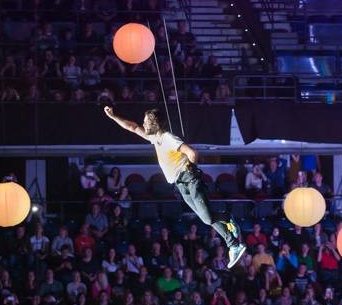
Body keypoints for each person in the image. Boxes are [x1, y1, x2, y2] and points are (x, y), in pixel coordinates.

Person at [104, 107, 246, 268]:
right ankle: (229, 224)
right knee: (205, 218)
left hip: (189, 178)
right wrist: (113, 116)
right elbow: (133, 127)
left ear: (154, 123)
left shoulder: (167, 138)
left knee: (207, 218)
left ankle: (233, 242)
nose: (143, 123)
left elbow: (192, 153)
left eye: (146, 121)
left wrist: (192, 171)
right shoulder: (155, 138)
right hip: (180, 184)